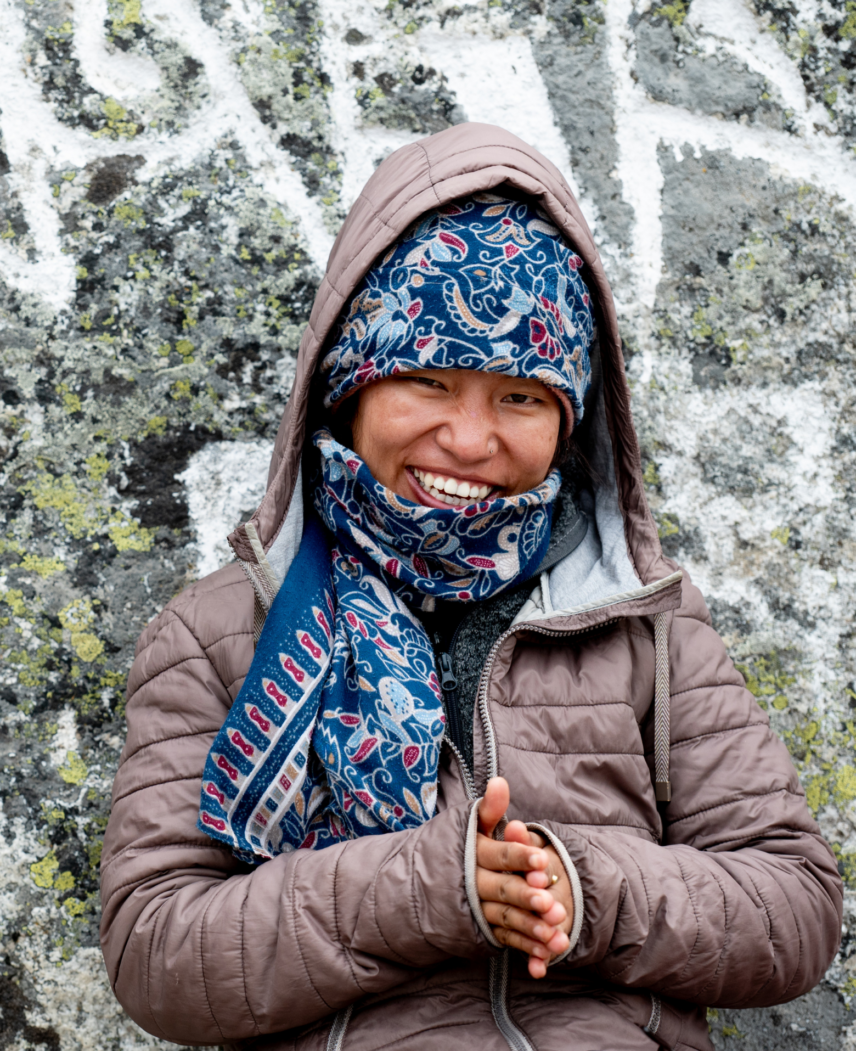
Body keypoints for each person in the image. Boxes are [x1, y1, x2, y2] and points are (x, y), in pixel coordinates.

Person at [100, 123, 842, 1051]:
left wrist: (585, 887)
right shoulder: (219, 629)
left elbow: (795, 905)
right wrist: (431, 889)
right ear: (349, 385)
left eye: (520, 396)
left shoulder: (648, 623)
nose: (469, 438)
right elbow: (155, 949)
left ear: (569, 418)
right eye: (425, 380)